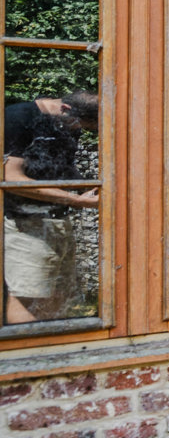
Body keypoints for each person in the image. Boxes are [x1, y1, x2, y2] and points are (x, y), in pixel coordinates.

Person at [4, 90, 99, 325]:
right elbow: (10, 178)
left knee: (57, 295)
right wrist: (76, 200)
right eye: (79, 124)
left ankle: (50, 351)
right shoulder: (17, 118)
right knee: (27, 296)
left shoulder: (66, 124)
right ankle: (27, 359)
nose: (78, 130)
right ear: (65, 108)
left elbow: (61, 169)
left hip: (58, 222)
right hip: (25, 224)